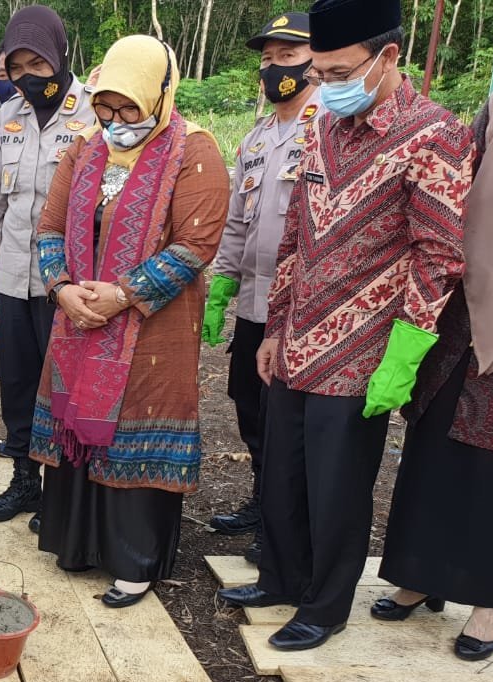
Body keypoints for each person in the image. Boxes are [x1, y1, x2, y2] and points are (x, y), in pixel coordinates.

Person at [218, 0, 474, 651]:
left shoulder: (435, 134)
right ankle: (281, 577)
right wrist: (276, 328)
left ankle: (325, 605)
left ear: (388, 56)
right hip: (298, 338)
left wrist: (405, 353)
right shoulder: (324, 129)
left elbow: (439, 254)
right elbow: (295, 237)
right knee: (283, 473)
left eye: (338, 73)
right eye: (320, 73)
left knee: (337, 487)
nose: (326, 85)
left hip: (363, 351)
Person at [32, 35, 230, 608]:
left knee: (134, 426)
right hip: (79, 319)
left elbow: (195, 244)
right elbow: (50, 227)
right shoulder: (85, 150)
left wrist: (124, 294)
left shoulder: (194, 151)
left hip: (151, 325)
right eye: (106, 108)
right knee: (80, 424)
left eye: (129, 109)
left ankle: (134, 561)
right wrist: (62, 289)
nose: (116, 122)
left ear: (160, 95)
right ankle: (78, 544)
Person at [373, 84, 493, 662]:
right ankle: (421, 574)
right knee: (433, 443)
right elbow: (457, 184)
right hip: (462, 304)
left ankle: (490, 598)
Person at [203, 12, 322, 565]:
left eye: (288, 57)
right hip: (255, 303)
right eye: (268, 59)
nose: (274, 68)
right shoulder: (256, 137)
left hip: (302, 306)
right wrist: (222, 284)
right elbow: (237, 222)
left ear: (317, 62)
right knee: (248, 404)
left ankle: (284, 521)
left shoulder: (328, 128)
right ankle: (260, 500)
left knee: (285, 417)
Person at [0, 5, 95, 530]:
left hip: (66, 282)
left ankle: (61, 493)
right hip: (13, 277)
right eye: (17, 68)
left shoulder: (93, 112)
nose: (27, 78)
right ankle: (24, 479)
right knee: (17, 382)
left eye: (37, 65)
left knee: (63, 383)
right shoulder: (9, 115)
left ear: (59, 57)